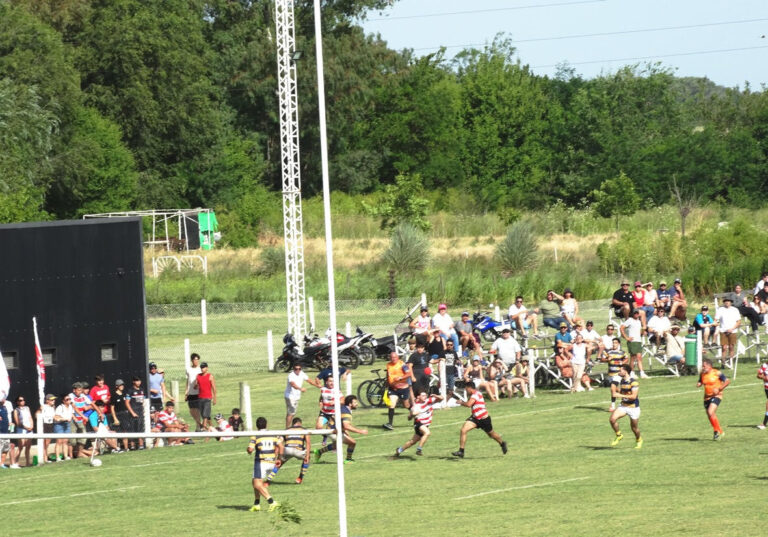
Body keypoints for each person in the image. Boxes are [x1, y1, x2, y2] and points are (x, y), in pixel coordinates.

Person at [451, 383, 507, 458]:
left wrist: (461, 402)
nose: (466, 390)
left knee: (491, 434)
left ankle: (502, 443)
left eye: (466, 389)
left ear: (470, 388)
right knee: (463, 430)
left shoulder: (475, 395)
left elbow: (469, 404)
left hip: (484, 419)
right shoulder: (473, 395)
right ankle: (461, 451)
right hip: (475, 418)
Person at [314, 395, 368, 463]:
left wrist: (344, 431)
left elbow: (341, 423)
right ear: (350, 404)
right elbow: (346, 426)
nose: (357, 404)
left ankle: (319, 452)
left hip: (331, 429)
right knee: (352, 443)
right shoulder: (346, 412)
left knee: (336, 445)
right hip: (333, 431)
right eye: (355, 402)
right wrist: (360, 431)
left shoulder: (343, 407)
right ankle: (348, 459)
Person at [247, 417, 282, 512]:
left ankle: (271, 502)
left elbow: (250, 449)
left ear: (257, 426)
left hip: (261, 462)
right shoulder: (273, 434)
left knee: (257, 484)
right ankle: (256, 503)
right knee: (254, 481)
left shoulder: (256, 436)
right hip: (271, 462)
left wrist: (248, 450)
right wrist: (279, 458)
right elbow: (281, 446)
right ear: (266, 424)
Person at [395, 390, 444, 457]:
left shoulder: (428, 401)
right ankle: (419, 449)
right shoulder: (416, 406)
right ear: (418, 397)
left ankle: (399, 450)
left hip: (425, 424)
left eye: (425, 395)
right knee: (427, 433)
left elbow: (442, 398)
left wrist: (436, 395)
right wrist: (413, 414)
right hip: (419, 423)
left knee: (413, 441)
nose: (425, 397)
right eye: (423, 395)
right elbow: (409, 418)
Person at [267, 416, 311, 484]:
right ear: (300, 423)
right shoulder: (304, 430)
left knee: (279, 463)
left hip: (287, 449)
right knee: (307, 458)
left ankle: (268, 480)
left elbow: (279, 442)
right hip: (298, 450)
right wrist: (307, 456)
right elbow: (308, 443)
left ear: (293, 424)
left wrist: (277, 456)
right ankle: (300, 478)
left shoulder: (286, 430)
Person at [609, 364, 642, 449]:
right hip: (623, 406)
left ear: (625, 371)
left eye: (620, 371)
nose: (619, 372)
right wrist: (615, 389)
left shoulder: (634, 382)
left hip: (633, 407)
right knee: (612, 419)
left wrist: (619, 395)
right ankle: (619, 435)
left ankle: (639, 440)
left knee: (634, 428)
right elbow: (624, 392)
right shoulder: (622, 381)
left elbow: (633, 396)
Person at [697, 358, 730, 440]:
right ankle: (720, 431)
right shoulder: (702, 373)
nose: (703, 367)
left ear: (709, 366)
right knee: (710, 415)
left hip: (716, 396)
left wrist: (719, 389)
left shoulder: (717, 373)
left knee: (710, 411)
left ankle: (716, 431)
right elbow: (700, 381)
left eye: (704, 366)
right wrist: (699, 383)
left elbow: (727, 381)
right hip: (706, 397)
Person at [383, 351, 413, 430]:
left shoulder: (402, 364)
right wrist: (387, 383)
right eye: (392, 357)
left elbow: (409, 374)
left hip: (403, 388)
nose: (393, 359)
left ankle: (416, 413)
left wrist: (400, 378)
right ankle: (390, 424)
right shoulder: (388, 365)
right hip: (393, 389)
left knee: (406, 405)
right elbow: (388, 374)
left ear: (398, 357)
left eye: (395, 357)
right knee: (391, 405)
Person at [284, 363, 320, 428]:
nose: (298, 370)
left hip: (296, 396)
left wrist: (317, 385)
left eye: (299, 369)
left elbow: (309, 380)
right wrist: (300, 389)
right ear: (293, 369)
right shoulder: (291, 375)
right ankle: (287, 429)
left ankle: (289, 428)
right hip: (290, 396)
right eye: (296, 369)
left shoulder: (302, 373)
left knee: (292, 413)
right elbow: (293, 384)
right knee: (291, 413)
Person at [620, 309, 649, 378]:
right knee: (633, 357)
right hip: (632, 341)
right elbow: (621, 328)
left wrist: (643, 330)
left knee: (639, 357)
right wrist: (626, 337)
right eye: (635, 313)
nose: (636, 314)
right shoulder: (630, 320)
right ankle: (631, 372)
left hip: (638, 341)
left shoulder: (639, 321)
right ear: (632, 314)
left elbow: (640, 332)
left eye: (637, 313)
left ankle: (642, 373)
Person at [70, 382, 95, 457]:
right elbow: (75, 408)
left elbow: (92, 404)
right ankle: (71, 456)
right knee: (72, 440)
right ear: (74, 390)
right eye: (79, 390)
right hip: (72, 420)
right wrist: (83, 416)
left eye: (81, 390)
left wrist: (99, 412)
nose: (80, 392)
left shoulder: (83, 396)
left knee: (83, 437)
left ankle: (79, 453)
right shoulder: (70, 396)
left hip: (80, 420)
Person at [602, 338, 628, 410]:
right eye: (613, 342)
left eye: (615, 343)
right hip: (611, 374)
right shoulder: (609, 352)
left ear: (619, 344)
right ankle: (625, 398)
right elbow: (602, 359)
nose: (614, 344)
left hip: (618, 374)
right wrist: (607, 359)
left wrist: (622, 362)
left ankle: (612, 406)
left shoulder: (622, 352)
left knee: (612, 388)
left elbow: (626, 359)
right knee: (616, 389)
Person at [716, 297, 741, 367]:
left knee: (731, 347)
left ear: (731, 302)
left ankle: (731, 362)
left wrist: (732, 328)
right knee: (724, 347)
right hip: (723, 330)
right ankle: (723, 363)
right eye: (726, 301)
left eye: (728, 301)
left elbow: (739, 322)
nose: (727, 302)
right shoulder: (720, 309)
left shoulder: (735, 310)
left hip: (732, 331)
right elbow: (716, 319)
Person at [194, 361, 217, 431]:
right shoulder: (198, 376)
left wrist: (215, 398)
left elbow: (214, 388)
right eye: (201, 367)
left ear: (207, 368)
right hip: (200, 398)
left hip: (207, 398)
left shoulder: (210, 376)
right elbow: (195, 386)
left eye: (203, 367)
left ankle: (203, 427)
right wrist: (196, 386)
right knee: (205, 415)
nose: (202, 369)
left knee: (205, 414)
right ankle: (212, 427)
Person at [12, 395, 34, 466]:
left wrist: (31, 426)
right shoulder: (16, 410)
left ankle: (27, 463)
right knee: (20, 446)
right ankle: (14, 462)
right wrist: (26, 427)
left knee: (28, 447)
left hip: (29, 429)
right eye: (20, 400)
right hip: (21, 430)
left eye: (23, 400)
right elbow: (18, 422)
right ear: (17, 402)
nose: (23, 401)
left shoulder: (27, 408)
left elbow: (30, 417)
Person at [125, 376, 146, 450]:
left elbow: (143, 400)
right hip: (133, 411)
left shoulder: (142, 390)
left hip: (140, 411)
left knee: (140, 428)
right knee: (132, 428)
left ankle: (141, 445)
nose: (138, 382)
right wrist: (132, 412)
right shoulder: (130, 391)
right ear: (133, 382)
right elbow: (127, 403)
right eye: (137, 381)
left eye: (139, 381)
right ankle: (132, 445)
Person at [110, 379, 130, 452]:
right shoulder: (114, 396)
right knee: (115, 432)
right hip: (117, 414)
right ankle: (116, 449)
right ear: (117, 386)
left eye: (122, 385)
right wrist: (115, 418)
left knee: (125, 431)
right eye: (120, 385)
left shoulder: (124, 394)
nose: (122, 386)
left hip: (124, 414)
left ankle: (126, 448)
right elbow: (112, 408)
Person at [53, 393, 74, 461]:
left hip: (67, 424)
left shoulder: (70, 407)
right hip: (59, 425)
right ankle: (57, 457)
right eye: (67, 399)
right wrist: (64, 419)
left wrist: (73, 418)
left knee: (65, 441)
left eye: (69, 399)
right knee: (59, 441)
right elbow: (56, 417)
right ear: (63, 401)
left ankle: (65, 456)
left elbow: (71, 414)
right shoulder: (60, 407)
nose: (69, 400)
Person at [185, 353, 203, 431]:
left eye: (197, 360)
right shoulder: (188, 369)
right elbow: (188, 381)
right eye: (195, 360)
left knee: (197, 410)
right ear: (192, 360)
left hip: (198, 392)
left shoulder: (200, 369)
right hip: (190, 392)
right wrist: (186, 392)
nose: (196, 361)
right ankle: (200, 424)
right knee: (191, 410)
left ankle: (198, 427)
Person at [37, 394, 57, 461]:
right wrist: (40, 410)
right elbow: (36, 415)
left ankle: (45, 457)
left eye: (54, 399)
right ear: (47, 401)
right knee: (45, 443)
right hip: (45, 425)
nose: (53, 401)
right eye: (52, 400)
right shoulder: (43, 406)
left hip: (50, 425)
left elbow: (54, 416)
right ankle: (44, 458)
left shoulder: (53, 407)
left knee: (47, 443)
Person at [757, 361, 768, 429]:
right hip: (766, 389)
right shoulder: (764, 365)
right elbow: (758, 375)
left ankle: (764, 424)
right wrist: (764, 378)